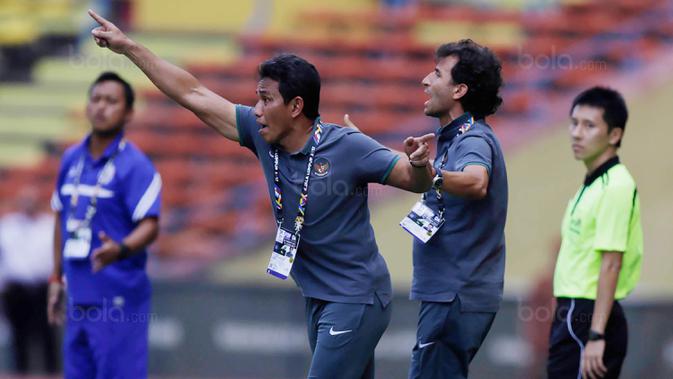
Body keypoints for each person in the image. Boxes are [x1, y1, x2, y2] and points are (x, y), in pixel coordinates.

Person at [88, 9, 434, 379]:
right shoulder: (261, 134)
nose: (257, 109)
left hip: (356, 298)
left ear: (296, 106)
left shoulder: (347, 146)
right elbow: (193, 93)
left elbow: (416, 180)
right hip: (319, 297)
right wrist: (129, 48)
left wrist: (418, 163)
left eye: (266, 99)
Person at [48, 71, 162, 379]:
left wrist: (122, 248)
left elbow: (150, 224)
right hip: (78, 292)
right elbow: (60, 216)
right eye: (95, 99)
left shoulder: (135, 165)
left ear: (128, 113)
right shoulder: (71, 159)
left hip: (118, 296)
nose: (101, 107)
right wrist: (56, 278)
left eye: (111, 101)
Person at [405, 39, 508, 379]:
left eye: (436, 74)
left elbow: (476, 181)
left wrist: (432, 173)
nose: (425, 80)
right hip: (451, 295)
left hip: (456, 294)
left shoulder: (473, 138)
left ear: (460, 89)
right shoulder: (454, 139)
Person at [547, 87, 642, 379]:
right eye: (574, 123)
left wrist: (597, 335)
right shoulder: (591, 185)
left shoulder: (615, 186)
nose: (577, 133)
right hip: (574, 312)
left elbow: (611, 262)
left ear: (614, 135)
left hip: (586, 317)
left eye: (589, 126)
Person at [0, 187, 58, 374]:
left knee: (48, 339)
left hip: (44, 289)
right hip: (16, 290)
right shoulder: (7, 226)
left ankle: (52, 375)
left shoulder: (49, 225)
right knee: (19, 340)